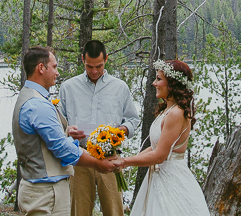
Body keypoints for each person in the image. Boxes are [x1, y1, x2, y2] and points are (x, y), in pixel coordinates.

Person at [13, 46, 115, 216]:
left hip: (44, 189)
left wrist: (66, 131)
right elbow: (62, 148)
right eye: (54, 67)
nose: (57, 72)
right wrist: (98, 163)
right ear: (41, 68)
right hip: (44, 193)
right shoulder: (37, 104)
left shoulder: (32, 97)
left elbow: (43, 137)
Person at [113, 59, 211, 216]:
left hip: (171, 179)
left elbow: (160, 156)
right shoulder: (168, 110)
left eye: (159, 79)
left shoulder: (176, 113)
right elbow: (155, 147)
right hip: (158, 177)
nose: (154, 83)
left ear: (172, 83)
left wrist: (125, 161)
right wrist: (128, 161)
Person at [59, 40, 140, 216]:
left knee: (114, 210)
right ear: (82, 60)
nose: (94, 71)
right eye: (90, 66)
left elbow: (133, 119)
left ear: (106, 60)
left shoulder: (120, 87)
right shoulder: (68, 87)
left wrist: (122, 130)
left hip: (110, 158)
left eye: (99, 66)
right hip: (80, 158)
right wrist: (67, 131)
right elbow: (59, 122)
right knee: (78, 211)